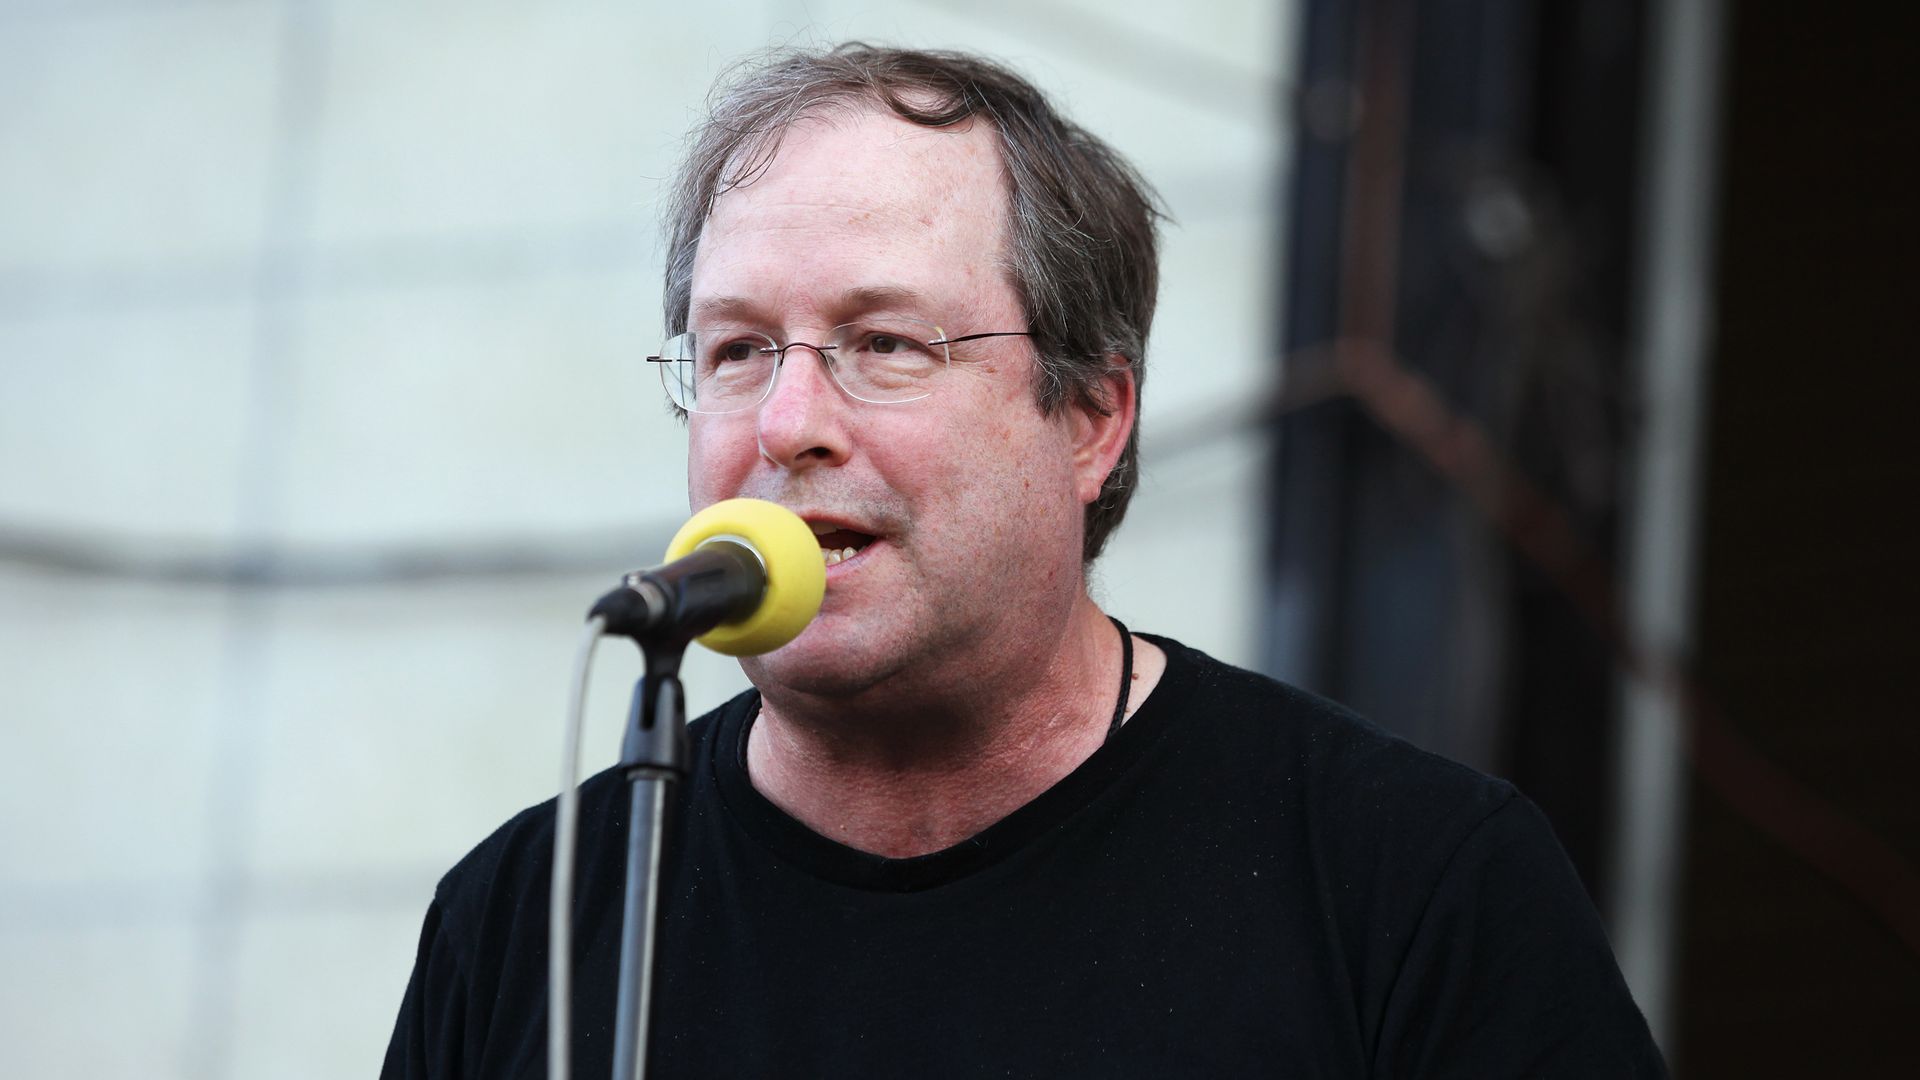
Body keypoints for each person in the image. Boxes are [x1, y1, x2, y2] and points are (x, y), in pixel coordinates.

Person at [384, 43, 1665, 1078]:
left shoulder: (1413, 881)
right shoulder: (522, 922)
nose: (786, 424)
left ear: (1092, 420)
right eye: (735, 351)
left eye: (885, 342)